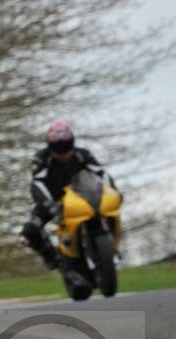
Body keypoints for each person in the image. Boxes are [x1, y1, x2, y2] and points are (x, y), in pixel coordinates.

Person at [20, 121, 117, 298]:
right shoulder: (41, 158)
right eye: (58, 147)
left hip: (83, 197)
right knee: (29, 232)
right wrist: (48, 203)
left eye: (66, 145)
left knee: (108, 211)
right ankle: (55, 260)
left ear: (72, 142)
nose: (63, 151)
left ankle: (110, 249)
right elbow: (37, 183)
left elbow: (101, 173)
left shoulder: (82, 154)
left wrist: (112, 191)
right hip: (52, 201)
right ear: (50, 146)